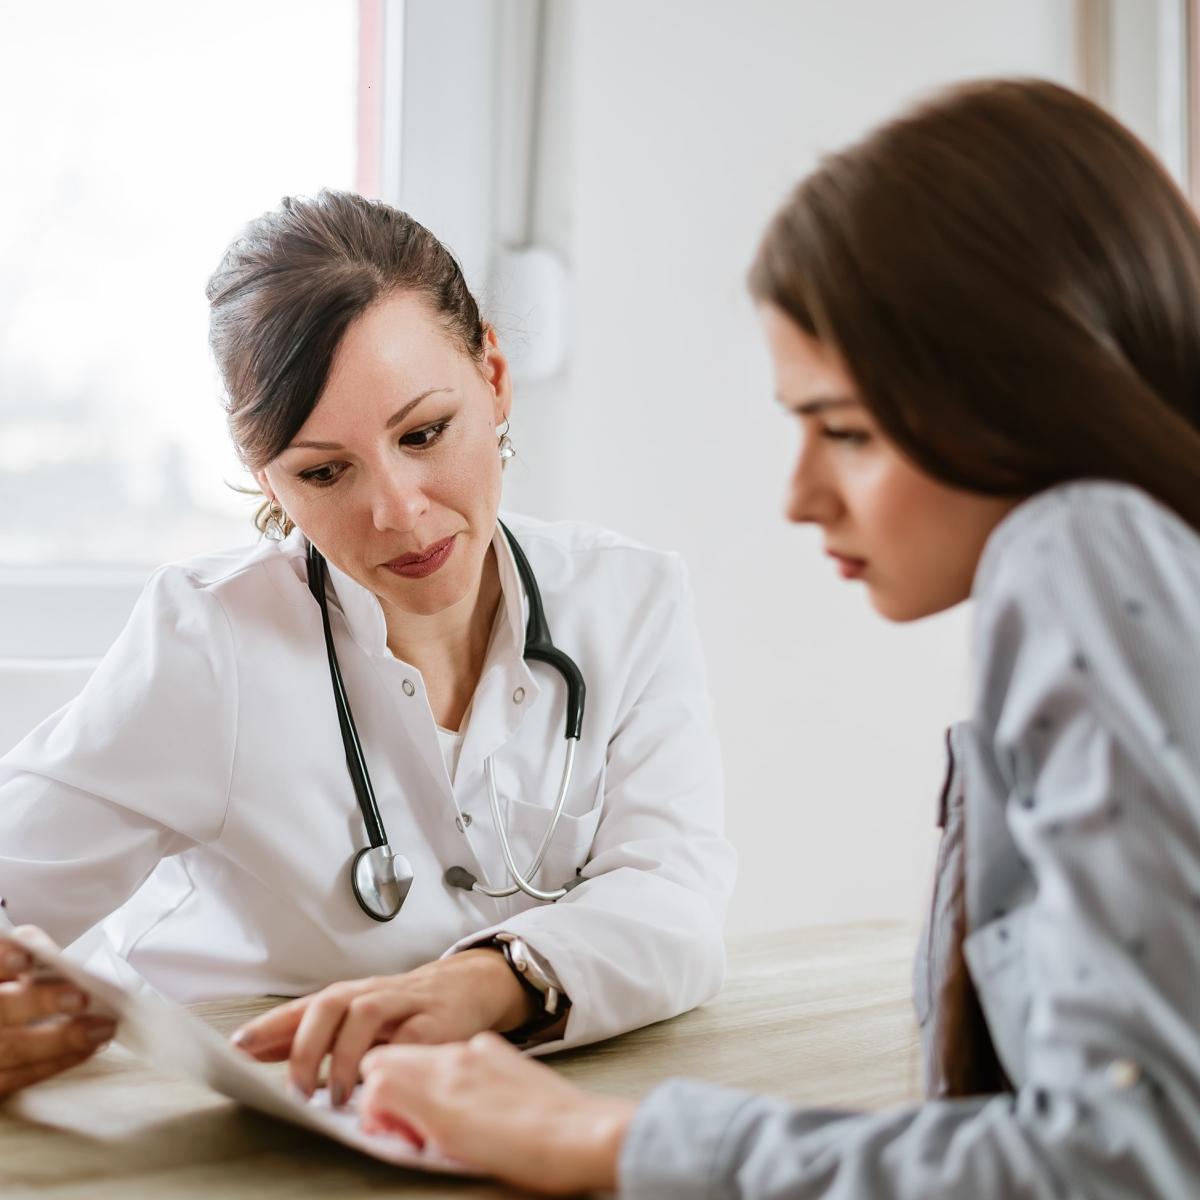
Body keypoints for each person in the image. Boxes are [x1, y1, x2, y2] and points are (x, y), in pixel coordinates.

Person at [349, 78, 1200, 1197]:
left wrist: (611, 1141)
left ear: (1035, 391)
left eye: (843, 430)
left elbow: (1122, 1160)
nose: (800, 496)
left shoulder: (1076, 546)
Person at [0, 192, 735, 1102]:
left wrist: (489, 981)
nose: (397, 510)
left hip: (521, 1117)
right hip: (240, 1131)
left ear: (494, 375)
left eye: (425, 433)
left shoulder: (627, 599)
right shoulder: (210, 639)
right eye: (323, 471)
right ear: (265, 472)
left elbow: (678, 899)